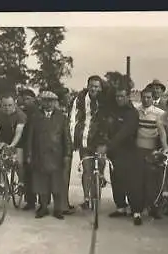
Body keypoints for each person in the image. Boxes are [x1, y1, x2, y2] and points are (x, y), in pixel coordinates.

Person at [94, 84, 139, 218]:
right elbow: (107, 128)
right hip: (114, 151)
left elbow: (124, 133)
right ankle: (120, 207)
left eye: (122, 96)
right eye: (117, 96)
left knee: (129, 181)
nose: (119, 99)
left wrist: (107, 146)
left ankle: (134, 208)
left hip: (128, 151)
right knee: (116, 179)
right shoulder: (114, 111)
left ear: (128, 97)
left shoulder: (132, 113)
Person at [26, 91, 72, 219]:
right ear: (41, 102)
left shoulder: (62, 117)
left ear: (55, 102)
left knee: (57, 183)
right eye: (46, 100)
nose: (49, 103)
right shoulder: (35, 117)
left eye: (51, 101)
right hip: (39, 154)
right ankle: (43, 207)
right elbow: (30, 137)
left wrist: (67, 154)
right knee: (41, 183)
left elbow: (66, 138)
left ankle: (58, 209)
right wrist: (29, 153)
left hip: (56, 154)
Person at [129, 87, 166, 225]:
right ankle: (136, 211)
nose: (146, 99)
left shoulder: (160, 113)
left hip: (153, 151)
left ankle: (153, 207)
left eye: (149, 97)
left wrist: (163, 149)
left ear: (153, 98)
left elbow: (163, 133)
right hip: (138, 150)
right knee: (137, 182)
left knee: (152, 182)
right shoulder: (136, 111)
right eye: (143, 97)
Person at [69, 75, 105, 210]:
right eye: (91, 86)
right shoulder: (79, 99)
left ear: (100, 88)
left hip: (101, 138)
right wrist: (73, 138)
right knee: (87, 169)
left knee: (101, 164)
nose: (94, 89)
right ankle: (86, 198)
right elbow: (73, 118)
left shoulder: (105, 100)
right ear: (88, 86)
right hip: (85, 138)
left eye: (97, 86)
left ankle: (99, 182)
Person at [0, 92, 27, 192]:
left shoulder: (20, 115)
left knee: (18, 161)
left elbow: (18, 132)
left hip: (19, 140)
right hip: (4, 137)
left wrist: (11, 146)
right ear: (1, 105)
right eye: (4, 105)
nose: (7, 108)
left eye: (10, 105)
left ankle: (21, 182)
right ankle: (1, 182)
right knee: (0, 156)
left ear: (14, 104)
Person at [18, 88, 39, 210]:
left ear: (34, 99)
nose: (26, 101)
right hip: (24, 144)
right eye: (24, 99)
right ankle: (30, 201)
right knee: (27, 172)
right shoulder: (22, 112)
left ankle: (41, 200)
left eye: (28, 99)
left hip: (37, 145)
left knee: (37, 173)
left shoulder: (38, 112)